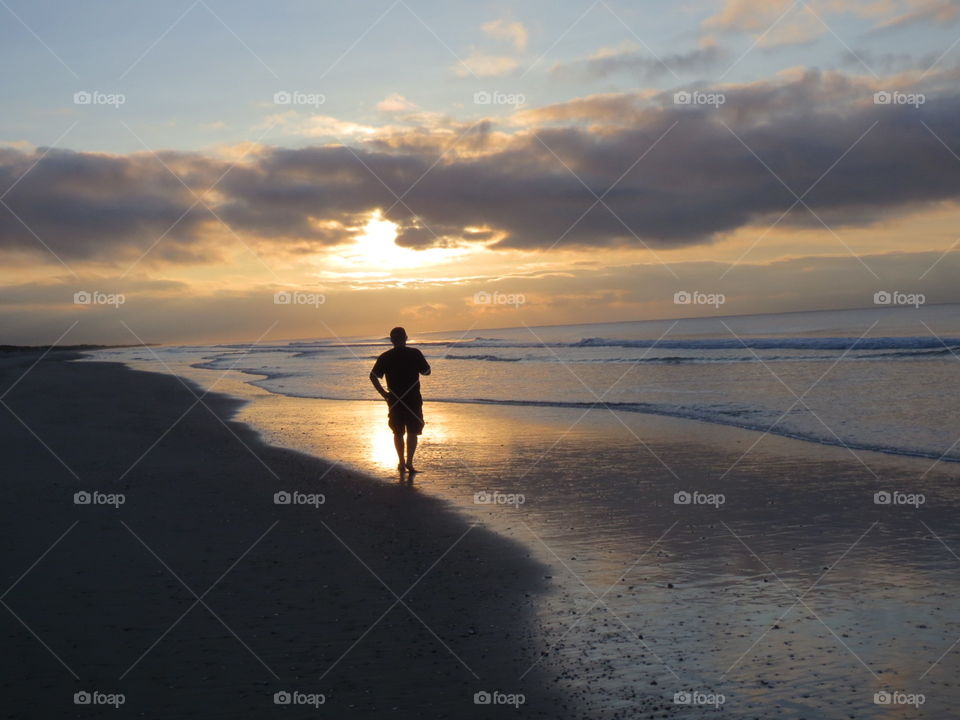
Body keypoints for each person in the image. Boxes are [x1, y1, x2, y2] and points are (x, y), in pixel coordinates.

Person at [369, 327, 431, 474]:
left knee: (398, 431)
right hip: (413, 398)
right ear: (406, 338)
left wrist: (384, 394)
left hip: (394, 399)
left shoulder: (385, 356)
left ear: (391, 340)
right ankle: (409, 462)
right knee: (412, 431)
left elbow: (373, 376)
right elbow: (427, 372)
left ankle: (402, 462)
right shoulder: (415, 353)